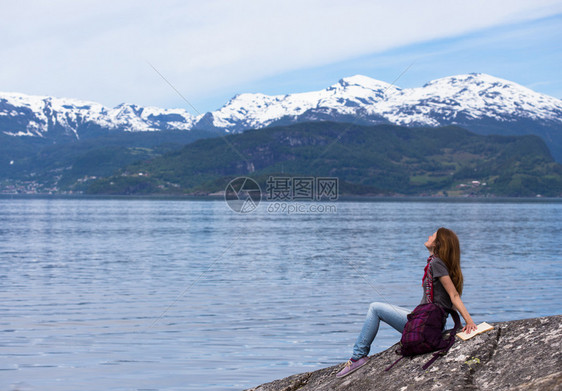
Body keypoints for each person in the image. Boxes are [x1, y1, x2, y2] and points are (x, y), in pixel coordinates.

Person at [336, 227, 478, 378]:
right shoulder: (437, 263)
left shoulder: (436, 263)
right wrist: (459, 325)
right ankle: (359, 356)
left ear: (438, 244)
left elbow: (453, 295)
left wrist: (469, 322)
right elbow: (448, 300)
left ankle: (358, 357)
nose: (429, 236)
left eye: (433, 236)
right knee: (379, 309)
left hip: (426, 325)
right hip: (428, 322)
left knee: (375, 308)